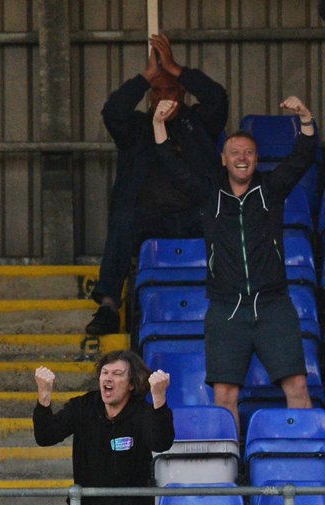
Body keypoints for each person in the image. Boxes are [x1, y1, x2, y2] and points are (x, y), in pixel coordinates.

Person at [154, 96, 317, 431]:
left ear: (257, 159)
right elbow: (172, 166)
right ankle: (230, 475)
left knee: (298, 387)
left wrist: (305, 119)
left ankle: (306, 469)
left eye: (249, 153)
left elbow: (302, 157)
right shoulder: (209, 194)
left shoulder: (270, 190)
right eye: (235, 153)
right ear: (223, 159)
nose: (242, 158)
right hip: (226, 308)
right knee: (226, 393)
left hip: (274, 305)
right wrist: (159, 124)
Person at [84, 33, 227, 337]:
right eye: (156, 90)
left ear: (182, 93)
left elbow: (218, 98)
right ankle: (109, 305)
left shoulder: (200, 123)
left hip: (195, 215)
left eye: (170, 89)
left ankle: (232, 300)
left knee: (227, 215)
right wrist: (145, 77)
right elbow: (112, 111)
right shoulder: (136, 128)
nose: (163, 96)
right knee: (123, 220)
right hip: (148, 217)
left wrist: (176, 68)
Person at [33, 350, 173, 505]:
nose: (108, 378)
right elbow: (46, 436)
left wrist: (159, 399)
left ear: (131, 384)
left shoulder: (142, 412)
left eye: (117, 374)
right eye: (105, 372)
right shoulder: (83, 406)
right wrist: (44, 394)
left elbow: (162, 443)